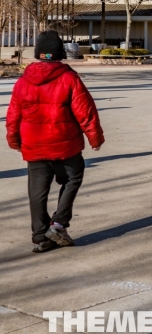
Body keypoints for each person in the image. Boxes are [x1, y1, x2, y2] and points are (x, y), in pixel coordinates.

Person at [6, 30, 104, 253]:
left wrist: (14, 140)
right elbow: (85, 111)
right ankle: (58, 224)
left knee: (37, 191)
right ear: (59, 54)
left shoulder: (23, 82)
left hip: (34, 145)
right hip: (65, 145)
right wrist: (94, 137)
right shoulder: (69, 78)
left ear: (38, 54)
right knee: (73, 176)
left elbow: (13, 116)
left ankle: (40, 236)